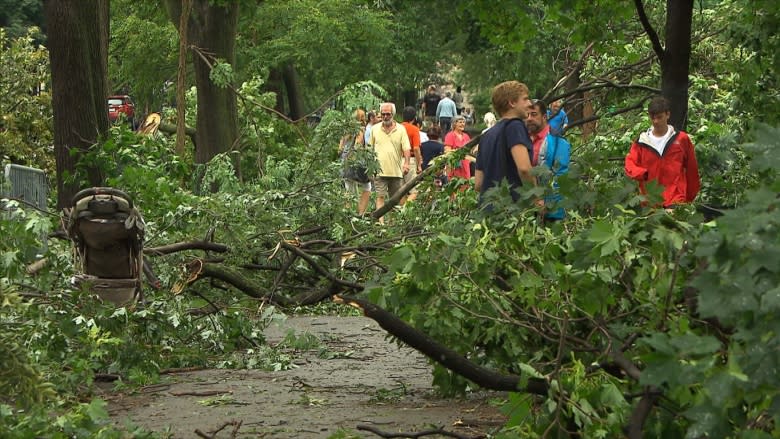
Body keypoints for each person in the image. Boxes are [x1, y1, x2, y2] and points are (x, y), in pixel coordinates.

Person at [625, 96, 700, 208]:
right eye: (652, 117)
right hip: (650, 202)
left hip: (676, 200)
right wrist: (642, 174)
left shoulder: (681, 139)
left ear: (667, 115)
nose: (656, 121)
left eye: (659, 117)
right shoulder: (641, 142)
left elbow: (692, 170)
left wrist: (688, 199)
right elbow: (629, 164)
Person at [474, 80, 539, 208]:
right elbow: (524, 169)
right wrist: (536, 198)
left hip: (488, 211)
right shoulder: (515, 126)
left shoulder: (486, 136)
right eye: (525, 99)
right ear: (512, 102)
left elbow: (478, 184)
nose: (529, 104)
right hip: (512, 210)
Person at [525, 99, 571, 221]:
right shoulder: (522, 140)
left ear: (544, 117)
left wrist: (548, 206)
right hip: (525, 210)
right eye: (527, 115)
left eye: (534, 114)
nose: (529, 118)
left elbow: (560, 177)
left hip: (550, 211)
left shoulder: (557, 141)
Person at [368, 102, 411, 222]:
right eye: (383, 114)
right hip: (379, 170)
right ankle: (381, 225)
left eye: (388, 114)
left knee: (395, 199)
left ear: (393, 114)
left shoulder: (401, 129)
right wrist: (370, 167)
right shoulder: (374, 129)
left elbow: (406, 148)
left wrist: (406, 163)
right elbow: (369, 149)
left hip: (396, 171)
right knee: (380, 196)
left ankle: (393, 224)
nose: (385, 117)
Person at [339, 109, 372, 215]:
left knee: (348, 188)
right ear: (362, 118)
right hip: (355, 160)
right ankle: (360, 213)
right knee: (367, 187)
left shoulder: (346, 131)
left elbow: (339, 149)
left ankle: (347, 214)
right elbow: (357, 146)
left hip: (344, 161)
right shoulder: (360, 130)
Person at [401, 106, 424, 203]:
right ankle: (404, 212)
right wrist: (419, 165)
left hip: (397, 160)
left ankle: (400, 212)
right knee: (414, 191)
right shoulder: (414, 129)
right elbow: (416, 148)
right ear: (414, 118)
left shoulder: (397, 127)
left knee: (400, 191)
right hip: (410, 161)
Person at [444, 115, 472, 183]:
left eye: (463, 122)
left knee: (466, 185)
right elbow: (447, 151)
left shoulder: (466, 136)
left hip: (465, 165)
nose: (462, 124)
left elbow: (470, 151)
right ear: (454, 124)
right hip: (454, 166)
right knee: (454, 186)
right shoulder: (450, 135)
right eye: (460, 122)